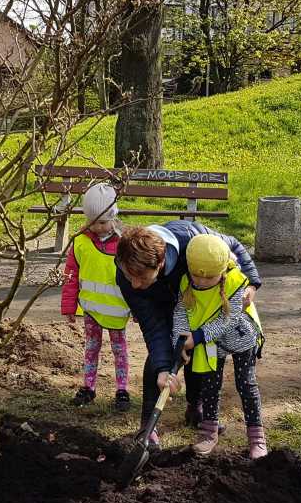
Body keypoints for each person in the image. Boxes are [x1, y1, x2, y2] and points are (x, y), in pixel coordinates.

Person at [116, 222, 261, 450]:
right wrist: (165, 368)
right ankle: (147, 427)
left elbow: (232, 244)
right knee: (158, 359)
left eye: (142, 278)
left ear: (161, 263)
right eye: (128, 275)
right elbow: (153, 326)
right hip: (162, 305)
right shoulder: (127, 271)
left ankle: (196, 408)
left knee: (196, 351)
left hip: (196, 304)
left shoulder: (194, 242)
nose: (134, 284)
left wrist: (251, 282)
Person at [171, 234, 267, 459]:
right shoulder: (186, 282)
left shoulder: (235, 282)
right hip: (212, 344)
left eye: (210, 278)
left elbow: (228, 320)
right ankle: (208, 432)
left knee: (246, 384)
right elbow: (181, 312)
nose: (202, 282)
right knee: (210, 385)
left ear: (222, 270)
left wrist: (196, 338)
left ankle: (256, 436)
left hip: (241, 339)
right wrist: (181, 339)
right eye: (197, 276)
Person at [61, 183, 131, 411]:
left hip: (117, 310)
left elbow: (135, 278)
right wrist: (69, 306)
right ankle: (88, 387)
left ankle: (122, 389)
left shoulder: (124, 244)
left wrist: (139, 310)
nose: (97, 227)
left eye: (102, 222)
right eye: (92, 222)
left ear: (113, 218)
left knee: (119, 349)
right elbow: (71, 275)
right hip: (91, 309)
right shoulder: (80, 242)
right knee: (91, 347)